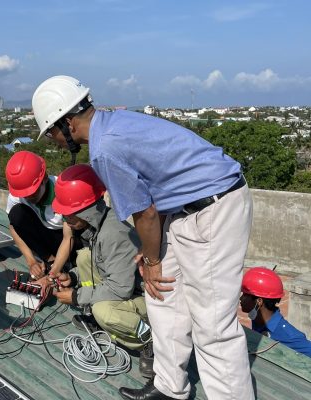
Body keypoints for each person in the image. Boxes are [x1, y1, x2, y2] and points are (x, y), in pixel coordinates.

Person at [32, 75, 254, 400]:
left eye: (51, 131)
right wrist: (155, 251)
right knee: (161, 295)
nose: (52, 140)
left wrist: (152, 258)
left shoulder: (104, 149)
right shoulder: (112, 122)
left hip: (214, 208)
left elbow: (145, 213)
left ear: (67, 123)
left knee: (212, 324)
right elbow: (158, 185)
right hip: (182, 210)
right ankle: (169, 387)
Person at [50, 164, 154, 378]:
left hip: (146, 299)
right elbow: (102, 265)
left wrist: (77, 296)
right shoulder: (100, 225)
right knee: (84, 257)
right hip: (125, 287)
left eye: (68, 215)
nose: (65, 220)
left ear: (86, 212)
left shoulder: (113, 234)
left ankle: (149, 339)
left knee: (104, 311)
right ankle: (97, 317)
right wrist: (72, 277)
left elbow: (121, 290)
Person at [5, 150, 80, 280]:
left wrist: (53, 273)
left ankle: (67, 265)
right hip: (46, 240)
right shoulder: (17, 195)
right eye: (24, 194)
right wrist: (32, 262)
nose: (28, 197)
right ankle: (49, 260)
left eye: (33, 192)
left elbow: (69, 237)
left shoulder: (63, 192)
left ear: (44, 178)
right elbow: (14, 228)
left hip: (70, 239)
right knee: (17, 214)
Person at [241, 267, 311, 357]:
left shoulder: (289, 335)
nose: (241, 299)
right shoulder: (258, 319)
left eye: (245, 295)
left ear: (259, 301)